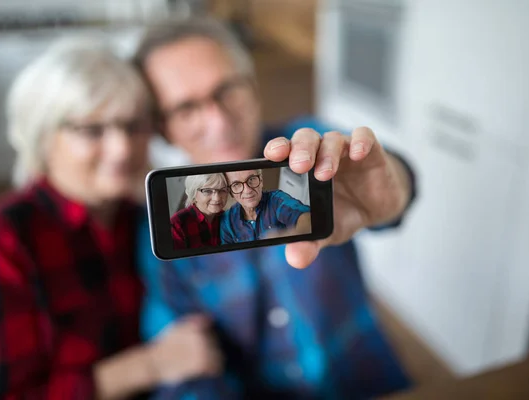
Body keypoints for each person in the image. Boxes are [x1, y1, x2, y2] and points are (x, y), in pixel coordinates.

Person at [135, 17, 417, 399]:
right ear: (164, 129)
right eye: (186, 108)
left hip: (372, 381)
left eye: (227, 90)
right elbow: (185, 367)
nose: (218, 122)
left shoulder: (309, 143)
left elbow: (390, 175)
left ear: (252, 87)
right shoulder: (162, 228)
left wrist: (394, 186)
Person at [0, 38, 222, 399]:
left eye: (133, 126)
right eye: (92, 130)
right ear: (44, 136)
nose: (122, 148)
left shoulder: (147, 218)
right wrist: (150, 365)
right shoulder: (0, 239)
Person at [220, 169, 311, 243]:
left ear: (261, 181)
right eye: (237, 185)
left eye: (251, 179)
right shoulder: (227, 221)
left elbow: (306, 217)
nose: (247, 190)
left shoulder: (276, 200)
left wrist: (293, 236)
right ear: (231, 192)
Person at [171, 173, 229, 249]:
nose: (217, 198)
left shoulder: (228, 218)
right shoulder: (177, 223)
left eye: (222, 190)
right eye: (207, 191)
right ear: (193, 194)